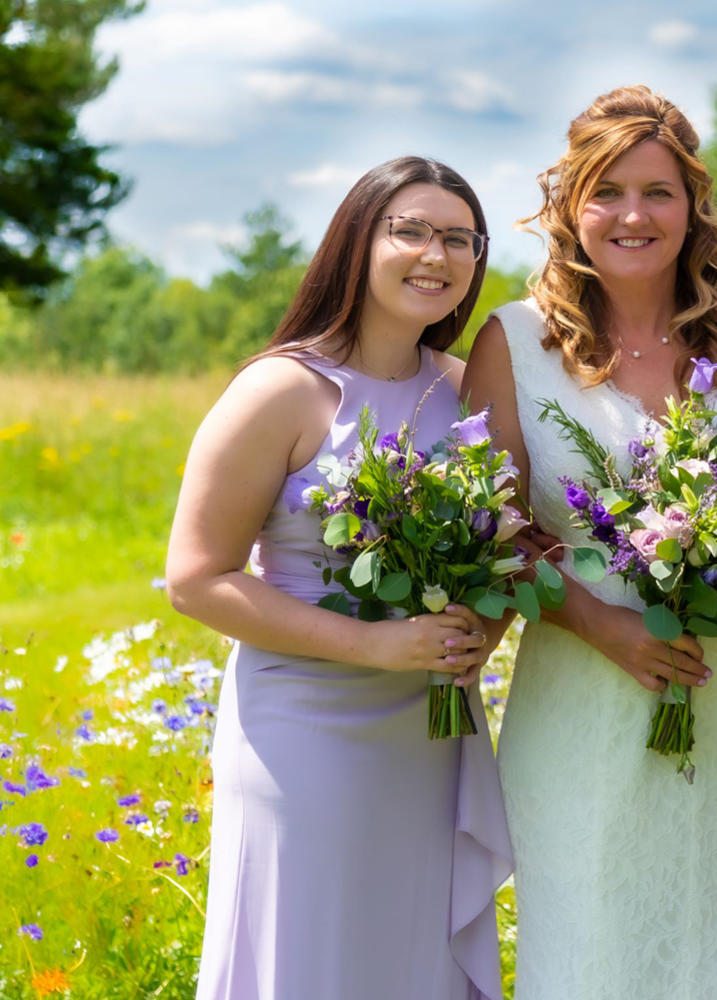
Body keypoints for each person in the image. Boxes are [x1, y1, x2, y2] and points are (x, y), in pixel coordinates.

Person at [460, 85, 717, 998]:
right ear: (569, 209)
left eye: (658, 191)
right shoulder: (514, 341)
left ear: (694, 205)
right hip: (584, 689)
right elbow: (494, 533)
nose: (633, 214)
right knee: (593, 943)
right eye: (606, 191)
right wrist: (601, 625)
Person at [166, 157, 513, 1000]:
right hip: (307, 733)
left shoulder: (467, 394)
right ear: (358, 241)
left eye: (461, 240)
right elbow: (195, 578)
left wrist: (482, 629)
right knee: (312, 950)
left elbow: (507, 547)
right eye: (413, 231)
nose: (438, 254)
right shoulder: (282, 389)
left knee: (410, 954)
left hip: (431, 733)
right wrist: (372, 643)